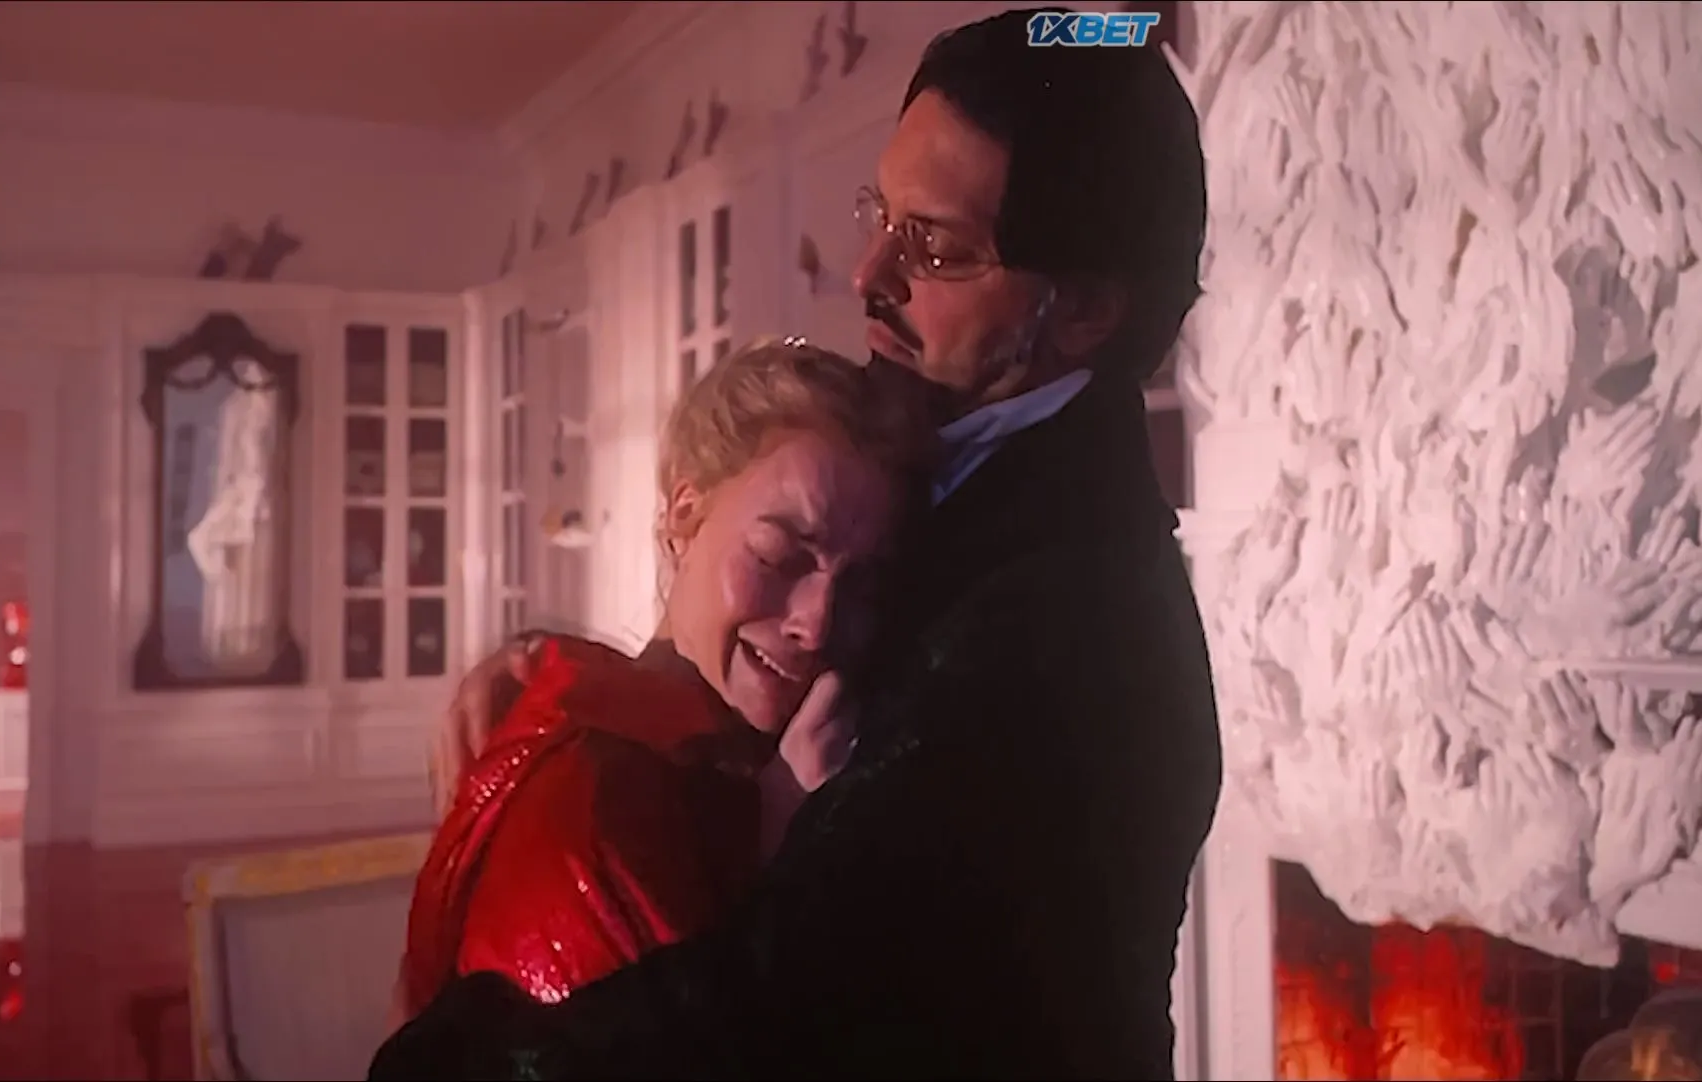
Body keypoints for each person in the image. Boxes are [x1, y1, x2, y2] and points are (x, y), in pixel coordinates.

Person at [376, 8, 1220, 1077]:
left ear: (1086, 310)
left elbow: (777, 1007)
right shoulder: (946, 472)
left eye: (936, 247)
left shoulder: (1064, 617)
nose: (868, 272)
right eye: (881, 214)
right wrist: (567, 675)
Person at [396, 339, 936, 1021]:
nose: (818, 623)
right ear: (684, 513)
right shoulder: (602, 798)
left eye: (863, 586)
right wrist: (781, 848)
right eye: (779, 556)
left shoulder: (725, 757)